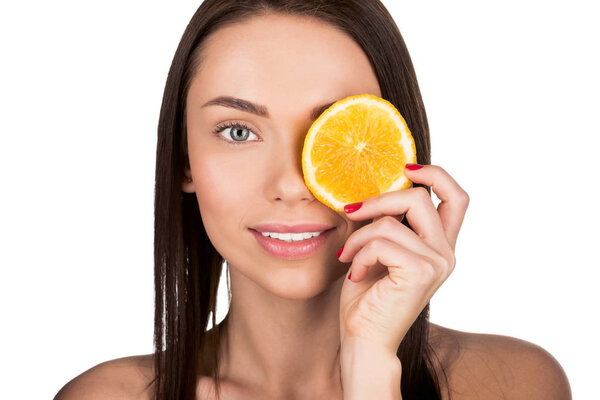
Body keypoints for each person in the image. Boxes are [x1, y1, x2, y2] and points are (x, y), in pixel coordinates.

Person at [54, 1, 572, 399]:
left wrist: (370, 367)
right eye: (238, 131)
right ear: (184, 160)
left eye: (334, 129)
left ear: (395, 151)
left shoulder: (514, 383)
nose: (292, 183)